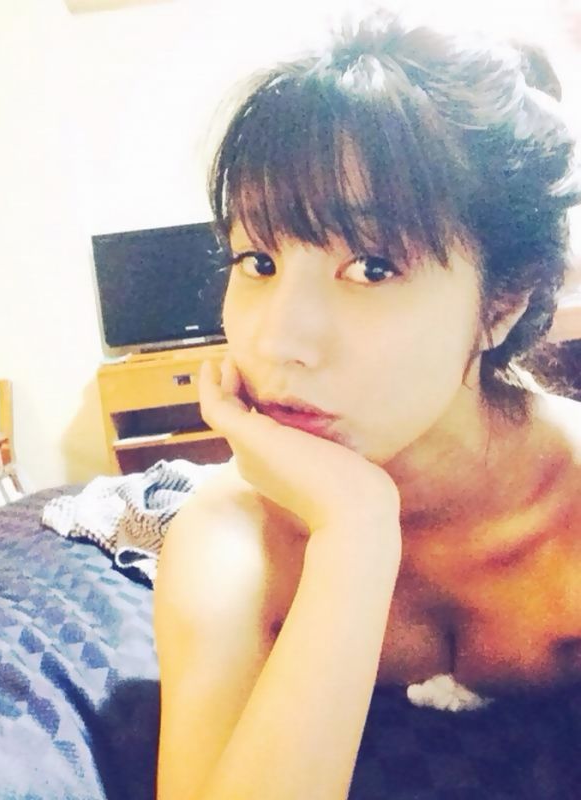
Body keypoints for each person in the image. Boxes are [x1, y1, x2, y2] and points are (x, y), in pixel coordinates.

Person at [154, 7, 581, 799]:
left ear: (503, 303)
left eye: (373, 268)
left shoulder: (569, 510)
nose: (280, 340)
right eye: (257, 261)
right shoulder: (231, 540)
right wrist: (353, 533)